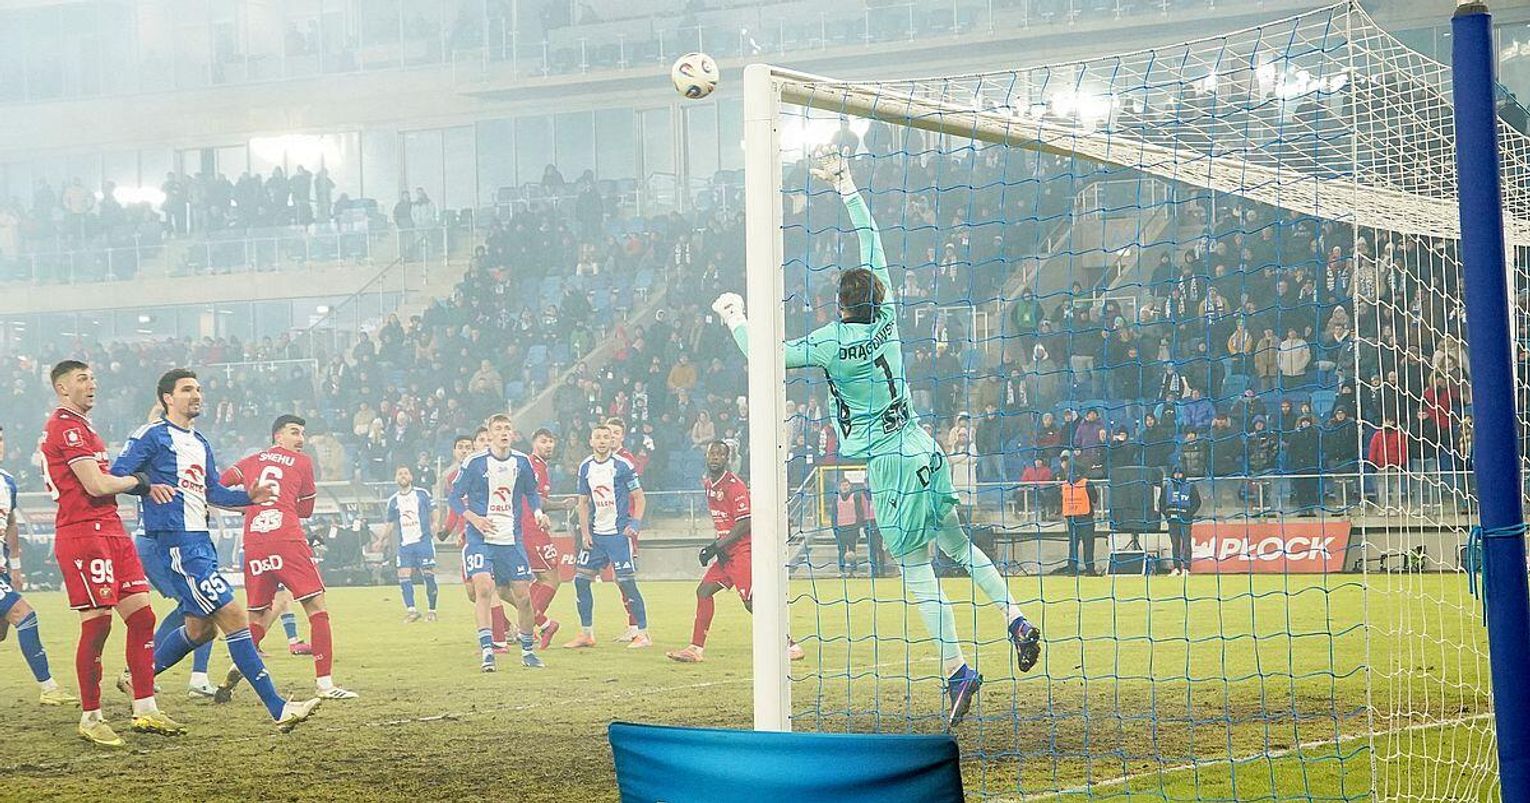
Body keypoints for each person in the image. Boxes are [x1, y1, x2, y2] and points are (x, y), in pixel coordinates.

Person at [709, 151, 1040, 727]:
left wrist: (735, 315)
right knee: (961, 546)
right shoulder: (887, 318)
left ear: (840, 304)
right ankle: (1016, 619)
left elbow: (764, 355)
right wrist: (846, 185)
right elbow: (873, 242)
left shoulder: (830, 342)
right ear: (876, 297)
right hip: (924, 446)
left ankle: (958, 671)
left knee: (916, 569)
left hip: (889, 464)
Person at [109, 368, 320, 732]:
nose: (196, 395)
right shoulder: (152, 435)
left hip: (200, 542)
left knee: (201, 630)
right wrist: (147, 486)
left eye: (198, 389)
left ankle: (136, 678)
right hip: (175, 543)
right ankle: (279, 708)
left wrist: (248, 497)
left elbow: (213, 492)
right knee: (235, 616)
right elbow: (117, 474)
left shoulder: (200, 442)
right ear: (167, 398)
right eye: (187, 389)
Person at [41, 360, 179, 746]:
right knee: (98, 623)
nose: (92, 384)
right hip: (83, 532)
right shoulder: (65, 427)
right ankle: (91, 716)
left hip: (112, 530)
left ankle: (146, 708)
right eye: (82, 379)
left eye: (93, 378)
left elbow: (106, 481)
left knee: (143, 617)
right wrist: (139, 482)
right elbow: (97, 485)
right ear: (62, 388)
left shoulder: (85, 427)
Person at [217, 415, 357, 701]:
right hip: (286, 538)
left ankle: (235, 670)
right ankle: (325, 684)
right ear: (277, 436)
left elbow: (217, 487)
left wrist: (247, 505)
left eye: (302, 433)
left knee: (258, 615)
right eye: (294, 432)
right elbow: (306, 510)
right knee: (316, 607)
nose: (300, 439)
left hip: (254, 541)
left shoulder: (251, 460)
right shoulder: (303, 462)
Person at [667, 441, 805, 664]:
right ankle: (695, 649)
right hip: (726, 552)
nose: (715, 457)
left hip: (742, 551)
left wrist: (716, 547)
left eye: (720, 454)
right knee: (703, 591)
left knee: (752, 602)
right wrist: (718, 546)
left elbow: (745, 522)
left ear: (727, 459)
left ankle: (791, 645)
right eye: (712, 453)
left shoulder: (734, 486)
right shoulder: (709, 485)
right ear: (706, 456)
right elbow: (725, 521)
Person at [449, 413, 550, 672]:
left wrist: (538, 512)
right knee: (483, 589)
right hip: (480, 539)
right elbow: (454, 497)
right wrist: (474, 519)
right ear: (490, 434)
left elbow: (531, 492)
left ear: (512, 433)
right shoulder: (474, 463)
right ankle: (488, 650)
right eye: (498, 429)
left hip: (511, 539)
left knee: (523, 597)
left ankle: (527, 651)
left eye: (507, 428)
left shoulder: (521, 462)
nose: (504, 432)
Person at [0, 424, 79, 707]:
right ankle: (49, 687)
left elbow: (10, 523)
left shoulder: (7, 482)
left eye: (1, 439)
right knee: (25, 615)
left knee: (1, 631)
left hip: (2, 568)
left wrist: (15, 565)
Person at [562, 423, 650, 650]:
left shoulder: (623, 465)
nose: (602, 441)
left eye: (606, 437)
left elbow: (639, 497)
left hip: (618, 535)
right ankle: (586, 634)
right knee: (581, 581)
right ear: (591, 441)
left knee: (626, 582)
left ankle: (642, 634)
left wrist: (635, 523)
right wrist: (585, 533)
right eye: (598, 437)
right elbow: (583, 502)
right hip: (596, 536)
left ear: (612, 441)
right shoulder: (585, 467)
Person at [523, 428, 574, 650]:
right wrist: (562, 505)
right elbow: (538, 501)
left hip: (532, 528)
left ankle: (529, 625)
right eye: (543, 441)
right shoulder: (533, 466)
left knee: (541, 580)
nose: (548, 445)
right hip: (530, 529)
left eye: (551, 441)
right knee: (550, 579)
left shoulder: (541, 466)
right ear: (534, 443)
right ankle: (540, 623)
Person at [385, 466, 438, 623]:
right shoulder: (393, 500)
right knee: (403, 574)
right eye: (400, 473)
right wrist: (381, 539)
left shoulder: (422, 494)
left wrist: (435, 523)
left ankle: (432, 610)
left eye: (406, 473)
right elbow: (390, 523)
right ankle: (412, 610)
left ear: (411, 477)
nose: (403, 476)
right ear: (396, 478)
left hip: (423, 541)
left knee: (428, 574)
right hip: (405, 545)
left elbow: (434, 509)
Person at [1056, 459, 1101, 576]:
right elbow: (1094, 499)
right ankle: (1090, 570)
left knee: (1073, 545)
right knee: (1088, 544)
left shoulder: (1065, 485)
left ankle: (1072, 569)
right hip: (1086, 517)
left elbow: (1060, 500)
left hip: (1071, 518)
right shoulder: (1086, 483)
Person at [1159, 466, 1202, 576]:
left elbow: (1197, 502)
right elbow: (1161, 503)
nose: (1177, 476)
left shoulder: (1190, 486)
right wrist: (1167, 515)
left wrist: (1189, 513)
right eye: (1175, 474)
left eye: (1180, 474)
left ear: (1183, 474)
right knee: (1175, 544)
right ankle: (1176, 567)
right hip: (1172, 521)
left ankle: (1187, 568)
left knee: (1186, 544)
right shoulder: (1167, 487)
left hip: (1185, 521)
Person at [829, 477, 867, 577]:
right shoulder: (836, 498)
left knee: (852, 550)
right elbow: (833, 514)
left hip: (852, 527)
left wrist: (858, 526)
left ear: (850, 486)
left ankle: (853, 571)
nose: (845, 487)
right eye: (843, 485)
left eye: (846, 485)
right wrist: (834, 528)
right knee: (841, 551)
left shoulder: (855, 497)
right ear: (839, 487)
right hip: (840, 528)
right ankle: (841, 571)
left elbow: (859, 512)